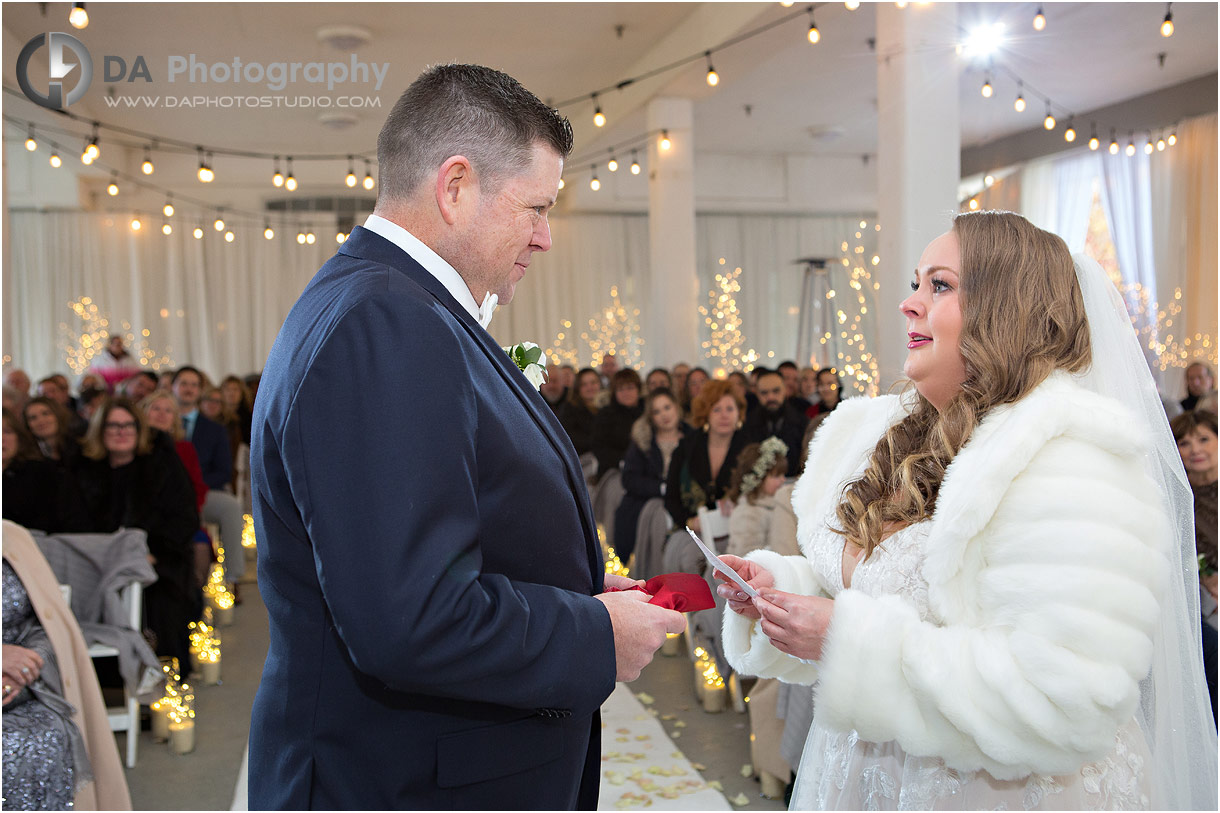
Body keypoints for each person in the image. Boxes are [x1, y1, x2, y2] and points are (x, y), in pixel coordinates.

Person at [248, 64, 683, 811]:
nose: (545, 237)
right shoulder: (386, 324)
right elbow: (408, 617)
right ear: (455, 187)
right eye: (536, 208)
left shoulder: (390, 304)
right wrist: (591, 633)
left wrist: (569, 583)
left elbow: (429, 531)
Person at [717, 210, 1216, 809]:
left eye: (941, 285)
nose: (909, 303)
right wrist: (784, 590)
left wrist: (848, 642)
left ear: (1006, 310)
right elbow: (881, 590)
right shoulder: (886, 434)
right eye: (915, 282)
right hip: (864, 773)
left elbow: (1062, 697)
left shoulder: (1071, 459)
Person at [3, 520, 132, 810]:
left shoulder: (12, 537)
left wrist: (23, 668)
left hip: (24, 689)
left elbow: (46, 626)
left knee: (54, 730)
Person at [75, 399, 199, 668]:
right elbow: (73, 523)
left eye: (128, 425)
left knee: (159, 605)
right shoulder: (83, 470)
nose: (122, 431)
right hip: (98, 565)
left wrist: (154, 554)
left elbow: (184, 518)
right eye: (113, 425)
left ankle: (161, 680)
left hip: (156, 560)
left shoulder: (162, 464)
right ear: (100, 430)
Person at [1170, 408, 1218, 721]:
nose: (1195, 449)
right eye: (1185, 443)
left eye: (1203, 439)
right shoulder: (1176, 499)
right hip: (1205, 603)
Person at [614, 389, 691, 563]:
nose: (664, 415)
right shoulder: (643, 440)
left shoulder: (692, 437)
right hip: (649, 500)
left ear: (676, 408)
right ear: (651, 417)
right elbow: (629, 479)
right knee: (657, 518)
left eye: (667, 407)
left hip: (685, 500)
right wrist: (662, 488)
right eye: (657, 411)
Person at [725, 438, 789, 559]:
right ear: (758, 479)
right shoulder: (749, 512)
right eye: (776, 476)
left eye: (783, 475)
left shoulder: (775, 504)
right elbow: (747, 556)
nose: (783, 480)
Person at [741, 369, 807, 476]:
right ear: (757, 394)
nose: (770, 397)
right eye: (764, 393)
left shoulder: (802, 423)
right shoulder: (747, 423)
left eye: (776, 391)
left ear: (785, 390)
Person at [591, 368, 644, 482]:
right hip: (614, 470)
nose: (626, 393)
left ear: (638, 389)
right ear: (614, 393)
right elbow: (599, 448)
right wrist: (624, 462)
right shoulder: (605, 415)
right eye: (620, 389)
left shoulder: (647, 413)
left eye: (630, 388)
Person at [22, 396, 80, 467]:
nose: (40, 421)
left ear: (58, 415)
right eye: (33, 418)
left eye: (45, 413)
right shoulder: (26, 458)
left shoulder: (79, 446)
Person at [558, 367, 602, 458]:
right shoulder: (569, 410)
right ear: (578, 388)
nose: (590, 387)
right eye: (584, 384)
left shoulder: (608, 407)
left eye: (593, 382)